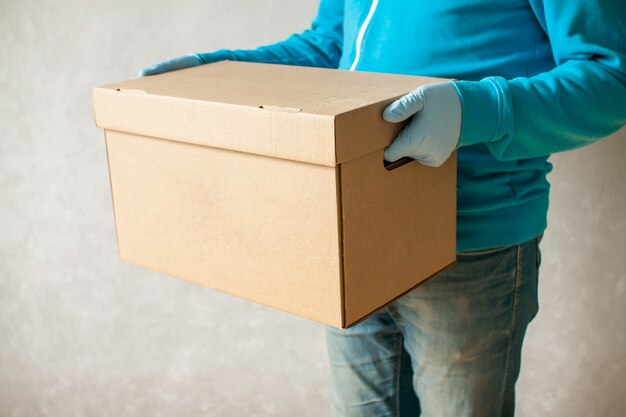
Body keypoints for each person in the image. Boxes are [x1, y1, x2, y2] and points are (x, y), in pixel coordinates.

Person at [140, 1, 626, 416]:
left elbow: (611, 74)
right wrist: (220, 70)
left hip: (473, 246)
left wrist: (475, 110)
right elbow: (328, 47)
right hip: (352, 232)